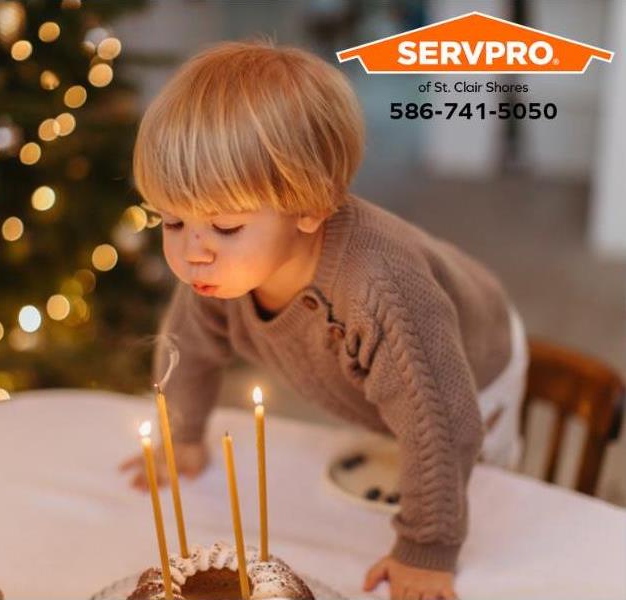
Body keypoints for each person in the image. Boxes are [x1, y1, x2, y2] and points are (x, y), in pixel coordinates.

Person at [119, 38, 528, 600]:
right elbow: (189, 343)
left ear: (311, 207)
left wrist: (427, 550)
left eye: (226, 227)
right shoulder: (217, 271)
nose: (194, 252)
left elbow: (446, 422)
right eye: (170, 222)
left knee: (489, 491)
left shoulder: (380, 289)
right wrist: (184, 434)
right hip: (387, 379)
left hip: (471, 368)